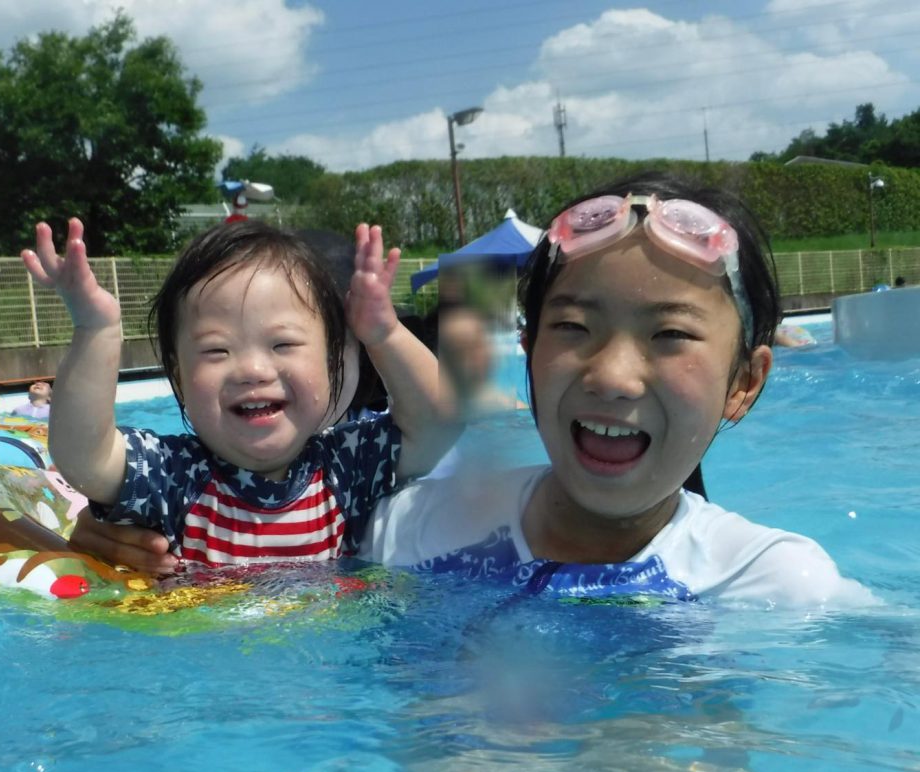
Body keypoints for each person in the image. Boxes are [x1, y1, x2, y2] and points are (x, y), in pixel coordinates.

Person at [72, 173, 874, 607]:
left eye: (668, 335)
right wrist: (99, 543)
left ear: (746, 383)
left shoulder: (771, 584)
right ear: (526, 354)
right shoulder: (409, 527)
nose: (611, 374)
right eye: (574, 328)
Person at [22, 217, 455, 570]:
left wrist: (385, 333)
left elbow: (440, 423)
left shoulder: (346, 468)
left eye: (282, 344)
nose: (251, 369)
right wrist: (95, 331)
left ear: (332, 361)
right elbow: (84, 459)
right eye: (216, 350)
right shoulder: (176, 475)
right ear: (178, 374)